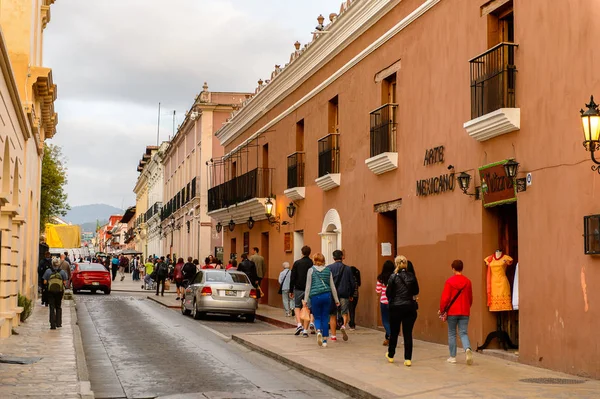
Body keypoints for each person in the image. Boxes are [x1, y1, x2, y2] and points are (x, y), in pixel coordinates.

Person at [385, 255, 419, 367]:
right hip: (409, 307)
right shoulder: (411, 276)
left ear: (396, 264)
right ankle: (408, 359)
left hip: (396, 307)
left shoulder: (393, 277)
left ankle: (391, 355)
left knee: (394, 332)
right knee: (407, 333)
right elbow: (416, 291)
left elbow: (388, 293)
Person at [440, 259, 474, 365]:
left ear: (453, 269)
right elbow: (470, 298)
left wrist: (442, 310)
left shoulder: (449, 281)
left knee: (452, 333)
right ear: (462, 268)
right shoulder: (468, 281)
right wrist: (468, 307)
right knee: (463, 333)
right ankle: (467, 348)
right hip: (464, 311)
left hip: (452, 312)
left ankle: (453, 356)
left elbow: (445, 298)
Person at [303, 253, 339, 348]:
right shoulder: (328, 271)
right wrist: (336, 300)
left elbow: (308, 286)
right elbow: (332, 286)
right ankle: (325, 341)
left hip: (315, 296)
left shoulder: (311, 270)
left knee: (317, 316)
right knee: (325, 317)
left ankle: (318, 330)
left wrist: (305, 300)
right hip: (327, 296)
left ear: (314, 260)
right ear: (323, 260)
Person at [328, 250, 355, 342]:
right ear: (342, 257)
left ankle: (333, 336)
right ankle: (343, 325)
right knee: (344, 312)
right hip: (344, 293)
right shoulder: (348, 268)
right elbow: (352, 283)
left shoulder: (329, 268)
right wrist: (351, 294)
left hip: (333, 294)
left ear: (333, 257)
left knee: (333, 314)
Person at [289, 245, 313, 337]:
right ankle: (305, 330)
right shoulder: (312, 263)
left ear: (302, 252)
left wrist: (291, 290)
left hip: (298, 289)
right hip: (309, 289)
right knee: (307, 308)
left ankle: (299, 324)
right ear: (309, 253)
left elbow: (293, 277)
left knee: (297, 307)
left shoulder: (297, 263)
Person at [43, 258, 68, 329]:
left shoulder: (48, 271)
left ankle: (52, 324)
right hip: (59, 292)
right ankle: (58, 323)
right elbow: (64, 282)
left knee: (51, 307)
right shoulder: (62, 272)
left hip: (50, 292)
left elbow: (44, 282)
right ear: (58, 264)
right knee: (58, 306)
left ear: (52, 263)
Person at [376, 260, 395, 346]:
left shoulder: (381, 278)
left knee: (385, 321)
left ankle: (390, 334)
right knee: (392, 321)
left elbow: (378, 290)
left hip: (384, 301)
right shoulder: (395, 277)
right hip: (393, 301)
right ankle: (388, 338)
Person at [349, 263, 361, 330]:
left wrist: (350, 295)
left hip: (351, 296)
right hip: (356, 295)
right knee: (353, 309)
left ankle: (352, 324)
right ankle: (351, 322)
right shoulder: (357, 279)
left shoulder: (351, 279)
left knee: (351, 310)